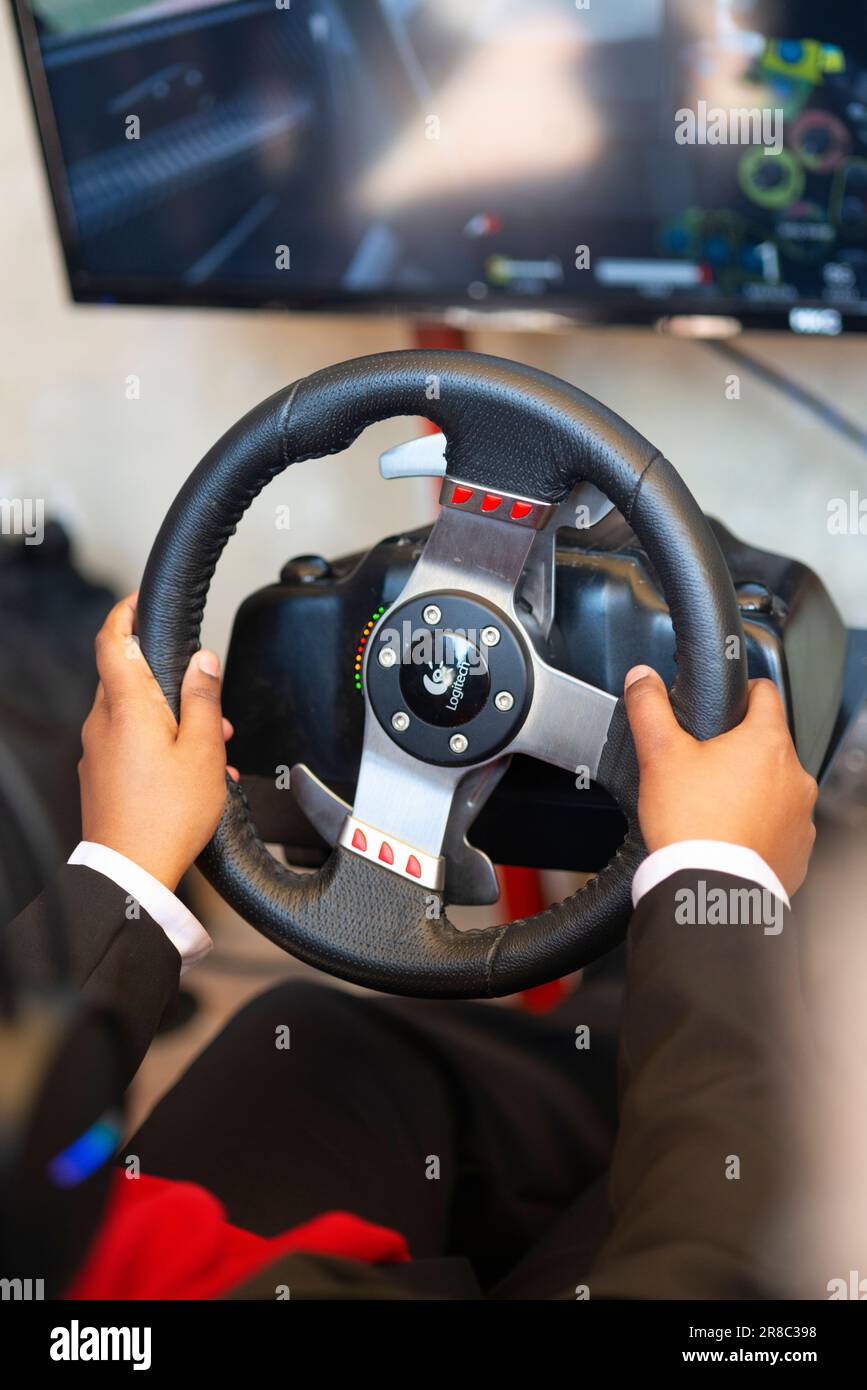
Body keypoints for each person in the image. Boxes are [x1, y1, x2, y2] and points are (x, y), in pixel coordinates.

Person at [7, 595, 819, 1300]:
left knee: (317, 1043)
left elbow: (24, 1107)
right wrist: (720, 879)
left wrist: (125, 866)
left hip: (101, 1256)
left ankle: (627, 1016)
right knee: (780, 1162)